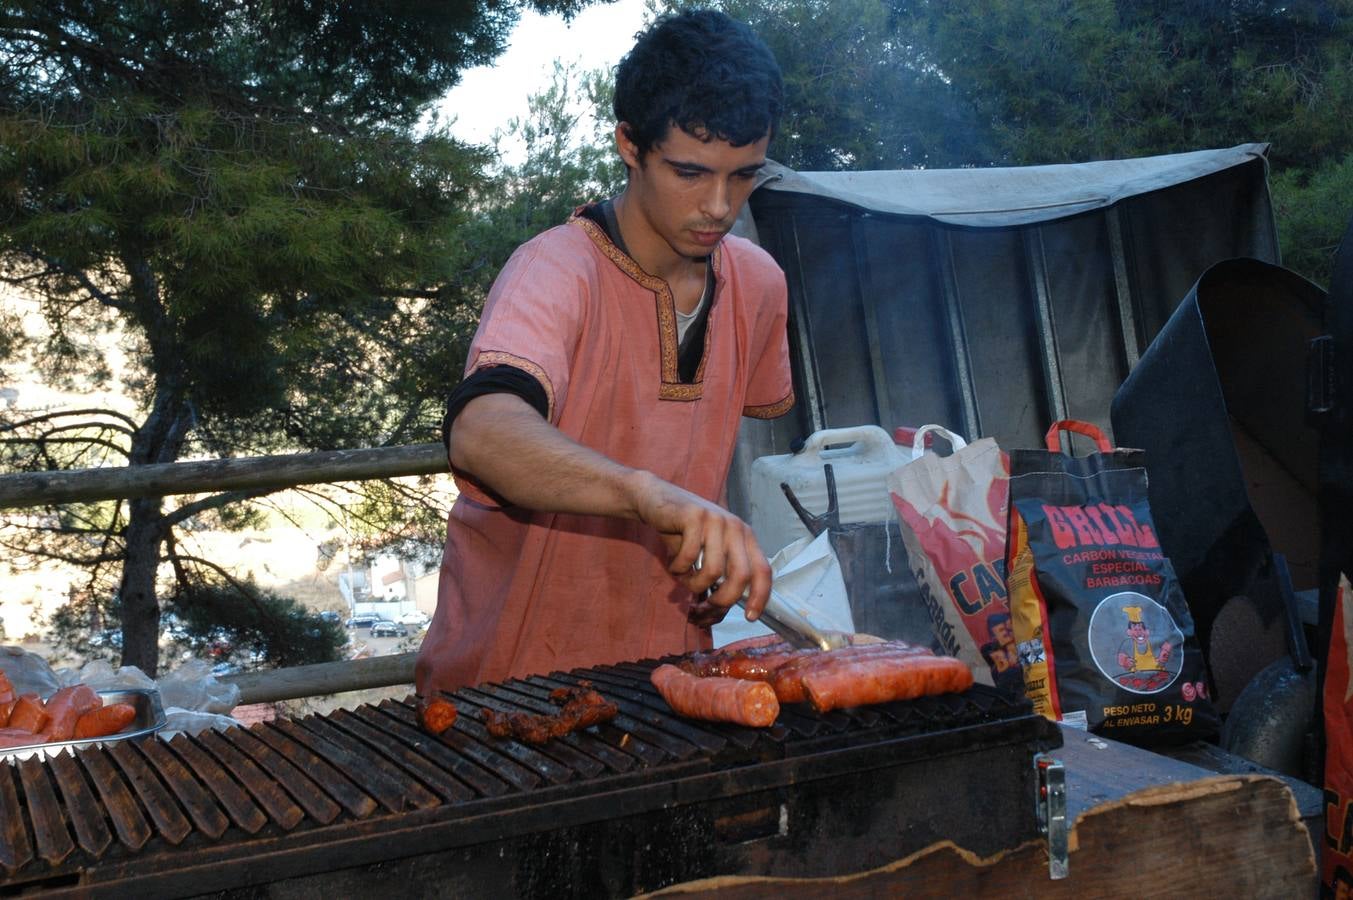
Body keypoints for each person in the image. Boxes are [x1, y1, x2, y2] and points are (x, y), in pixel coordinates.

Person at [415, 10, 794, 694]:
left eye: (742, 176)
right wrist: (647, 496)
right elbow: (481, 430)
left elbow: (695, 447)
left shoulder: (759, 284)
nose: (718, 205)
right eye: (689, 172)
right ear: (628, 144)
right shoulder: (555, 270)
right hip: (509, 679)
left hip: (669, 678)